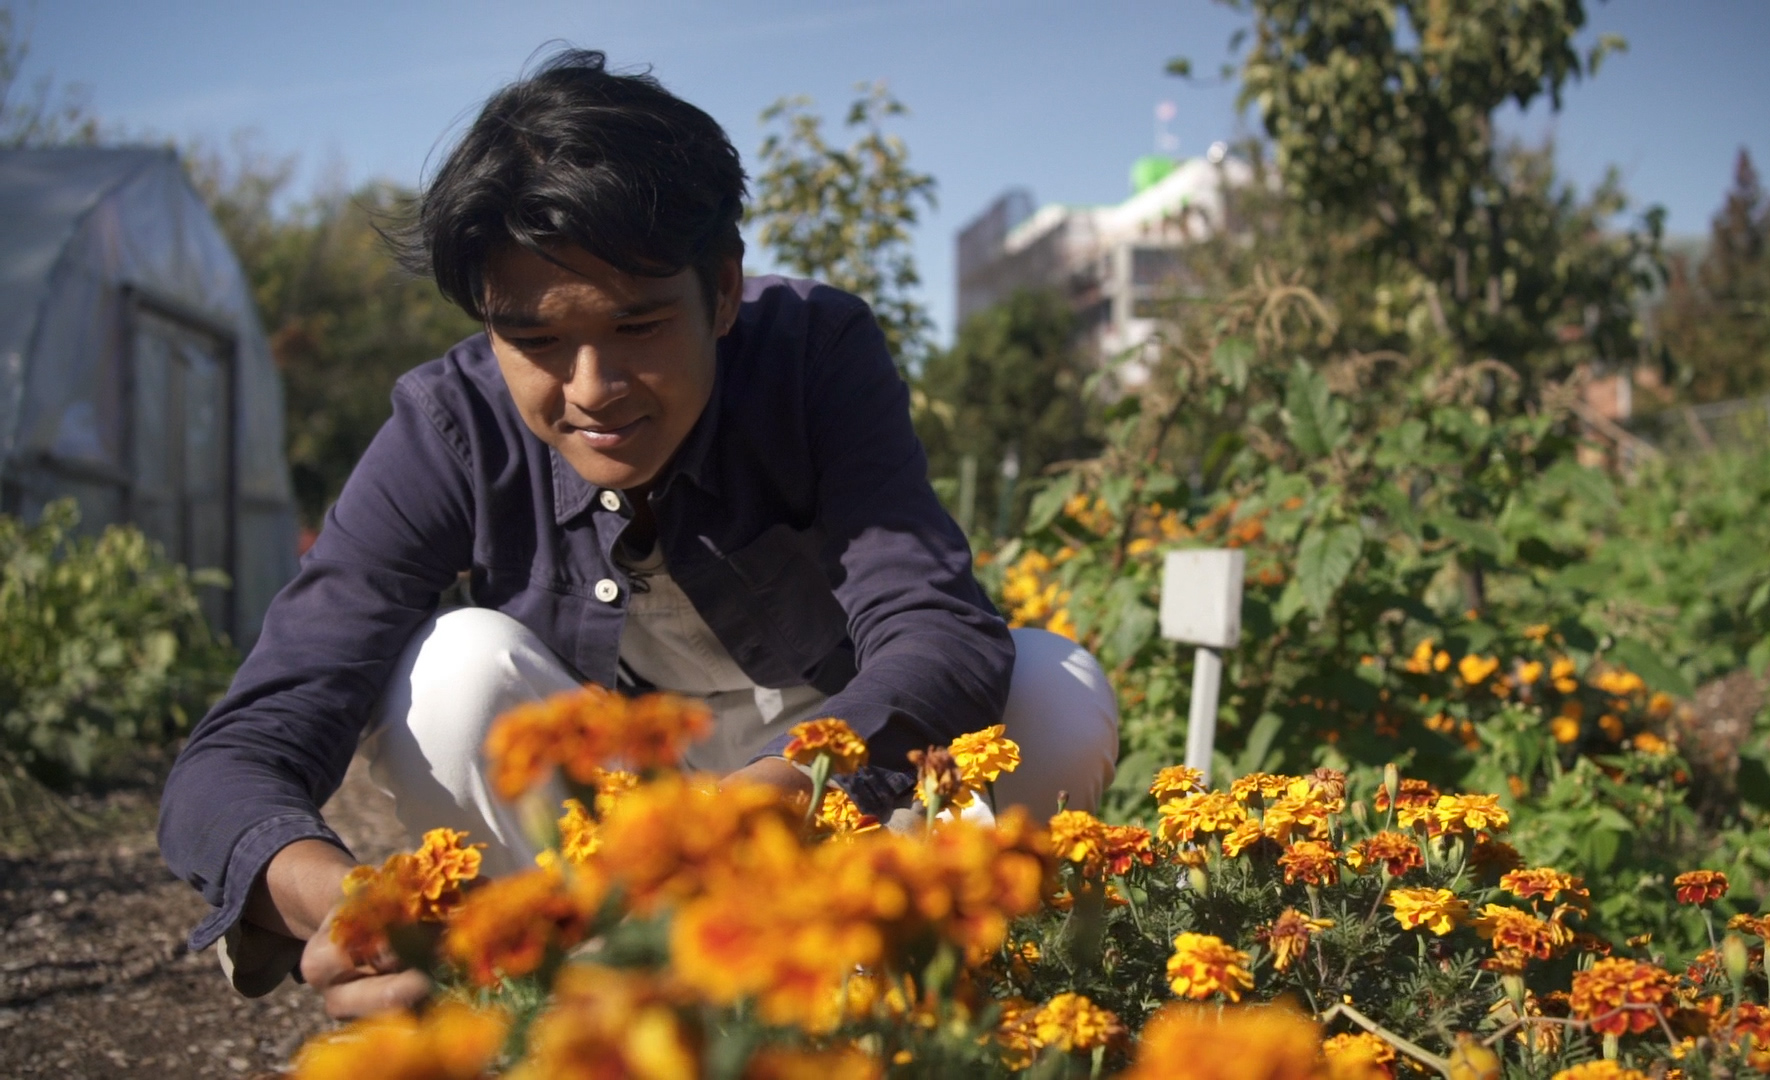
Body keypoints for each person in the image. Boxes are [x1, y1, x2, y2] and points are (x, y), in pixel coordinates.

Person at [157, 50, 1118, 1020]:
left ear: (726, 291)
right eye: (535, 340)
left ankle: (964, 1006)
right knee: (454, 666)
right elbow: (237, 754)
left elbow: (936, 629)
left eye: (640, 325)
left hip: (820, 765)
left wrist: (767, 801)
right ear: (489, 325)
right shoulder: (451, 427)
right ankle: (559, 1007)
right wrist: (353, 902)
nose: (590, 388)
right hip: (608, 818)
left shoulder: (813, 357)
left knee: (1056, 692)